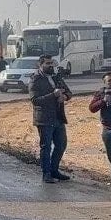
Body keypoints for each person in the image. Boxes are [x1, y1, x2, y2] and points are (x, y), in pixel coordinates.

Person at [29, 54, 72, 184]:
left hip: (58, 117)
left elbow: (69, 92)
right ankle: (46, 173)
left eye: (51, 63)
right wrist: (53, 95)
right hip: (44, 119)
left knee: (61, 144)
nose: (50, 66)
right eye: (47, 63)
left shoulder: (56, 77)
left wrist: (64, 97)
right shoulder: (35, 79)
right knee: (46, 147)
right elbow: (35, 100)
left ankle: (54, 170)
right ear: (40, 64)